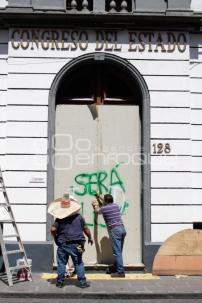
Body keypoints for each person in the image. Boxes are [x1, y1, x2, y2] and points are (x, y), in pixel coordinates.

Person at [51, 197, 93, 288]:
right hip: (78, 243)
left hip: (63, 243)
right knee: (79, 262)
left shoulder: (59, 218)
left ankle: (60, 282)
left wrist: (55, 238)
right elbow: (86, 229)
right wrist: (90, 237)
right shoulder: (79, 217)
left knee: (62, 263)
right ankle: (82, 282)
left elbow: (53, 229)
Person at [92, 193, 126, 278]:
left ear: (106, 201)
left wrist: (95, 205)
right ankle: (116, 267)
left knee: (117, 252)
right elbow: (106, 201)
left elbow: (97, 211)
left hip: (115, 230)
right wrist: (100, 197)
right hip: (122, 229)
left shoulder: (104, 208)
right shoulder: (116, 206)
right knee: (119, 251)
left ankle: (120, 272)